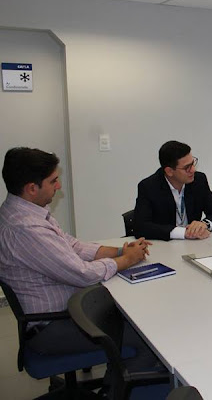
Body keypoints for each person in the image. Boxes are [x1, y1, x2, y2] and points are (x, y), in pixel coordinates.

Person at [0, 147, 158, 368]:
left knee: (135, 315)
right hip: (52, 326)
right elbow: (82, 274)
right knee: (150, 338)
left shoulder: (25, 211)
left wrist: (120, 252)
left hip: (67, 310)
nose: (59, 186)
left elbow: (72, 246)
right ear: (32, 188)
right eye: (53, 181)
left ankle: (117, 379)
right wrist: (128, 260)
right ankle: (119, 385)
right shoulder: (26, 228)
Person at [134, 140, 212, 241]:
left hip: (195, 244)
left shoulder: (199, 180)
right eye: (187, 167)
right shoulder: (149, 187)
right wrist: (183, 233)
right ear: (169, 171)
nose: (193, 170)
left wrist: (204, 224)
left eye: (193, 163)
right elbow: (141, 227)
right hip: (165, 246)